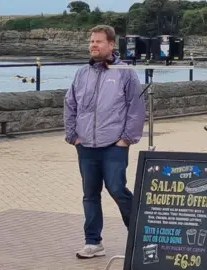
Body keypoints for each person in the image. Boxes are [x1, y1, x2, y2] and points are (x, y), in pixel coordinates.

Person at [63, 25, 146, 259]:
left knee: (117, 188)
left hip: (114, 145)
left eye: (98, 41)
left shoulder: (125, 72)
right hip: (85, 145)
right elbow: (70, 104)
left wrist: (126, 139)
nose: (93, 45)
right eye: (91, 41)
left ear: (111, 45)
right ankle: (93, 242)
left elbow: (136, 107)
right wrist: (73, 135)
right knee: (90, 193)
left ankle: (138, 236)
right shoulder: (82, 73)